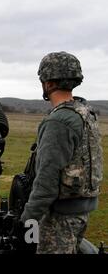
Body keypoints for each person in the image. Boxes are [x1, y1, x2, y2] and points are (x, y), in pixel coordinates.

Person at [21, 51, 103, 254]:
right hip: (81, 212)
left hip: (60, 218)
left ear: (47, 83)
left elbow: (46, 183)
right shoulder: (85, 112)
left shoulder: (59, 121)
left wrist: (26, 220)